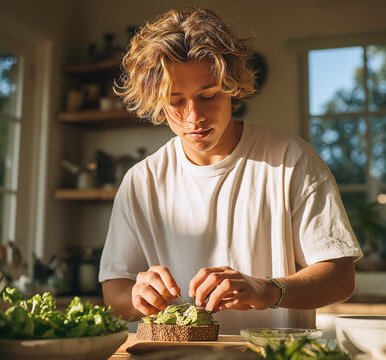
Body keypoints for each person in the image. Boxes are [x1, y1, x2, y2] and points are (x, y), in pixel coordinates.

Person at [99, 7, 362, 334]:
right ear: (157, 102)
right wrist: (138, 296)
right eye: (176, 101)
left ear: (231, 88)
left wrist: (268, 290)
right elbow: (114, 294)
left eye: (208, 96)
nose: (194, 117)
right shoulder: (141, 181)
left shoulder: (291, 160)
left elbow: (340, 278)